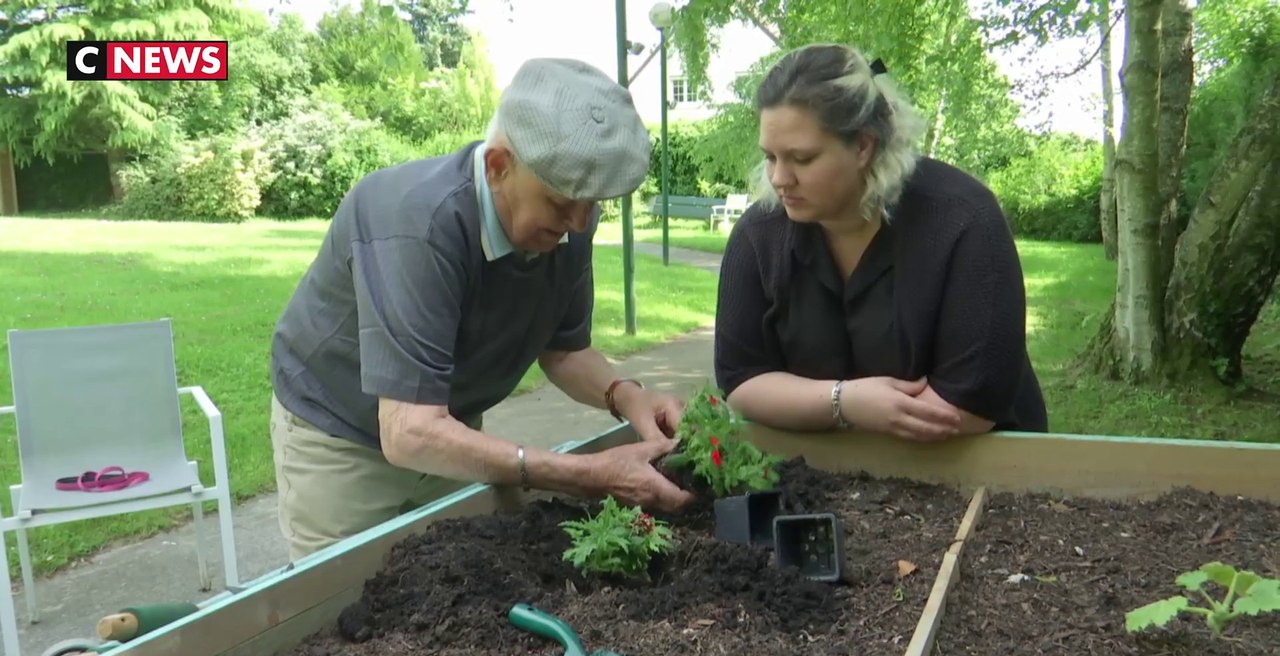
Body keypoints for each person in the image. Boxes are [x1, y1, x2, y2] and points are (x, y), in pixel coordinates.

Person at [268, 57, 695, 561]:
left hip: (449, 423)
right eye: (562, 202)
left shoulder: (567, 223)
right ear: (498, 166)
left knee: (477, 581)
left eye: (594, 203)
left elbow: (563, 350)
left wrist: (627, 397)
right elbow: (409, 431)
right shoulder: (416, 222)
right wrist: (588, 475)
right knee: (353, 611)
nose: (580, 224)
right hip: (342, 438)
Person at [713, 43, 1048, 441]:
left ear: (863, 146)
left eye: (801, 159)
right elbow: (741, 380)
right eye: (770, 157)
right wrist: (845, 401)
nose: (779, 179)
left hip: (982, 466)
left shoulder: (962, 220)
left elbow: (970, 407)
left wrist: (806, 403)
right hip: (824, 474)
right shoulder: (759, 235)